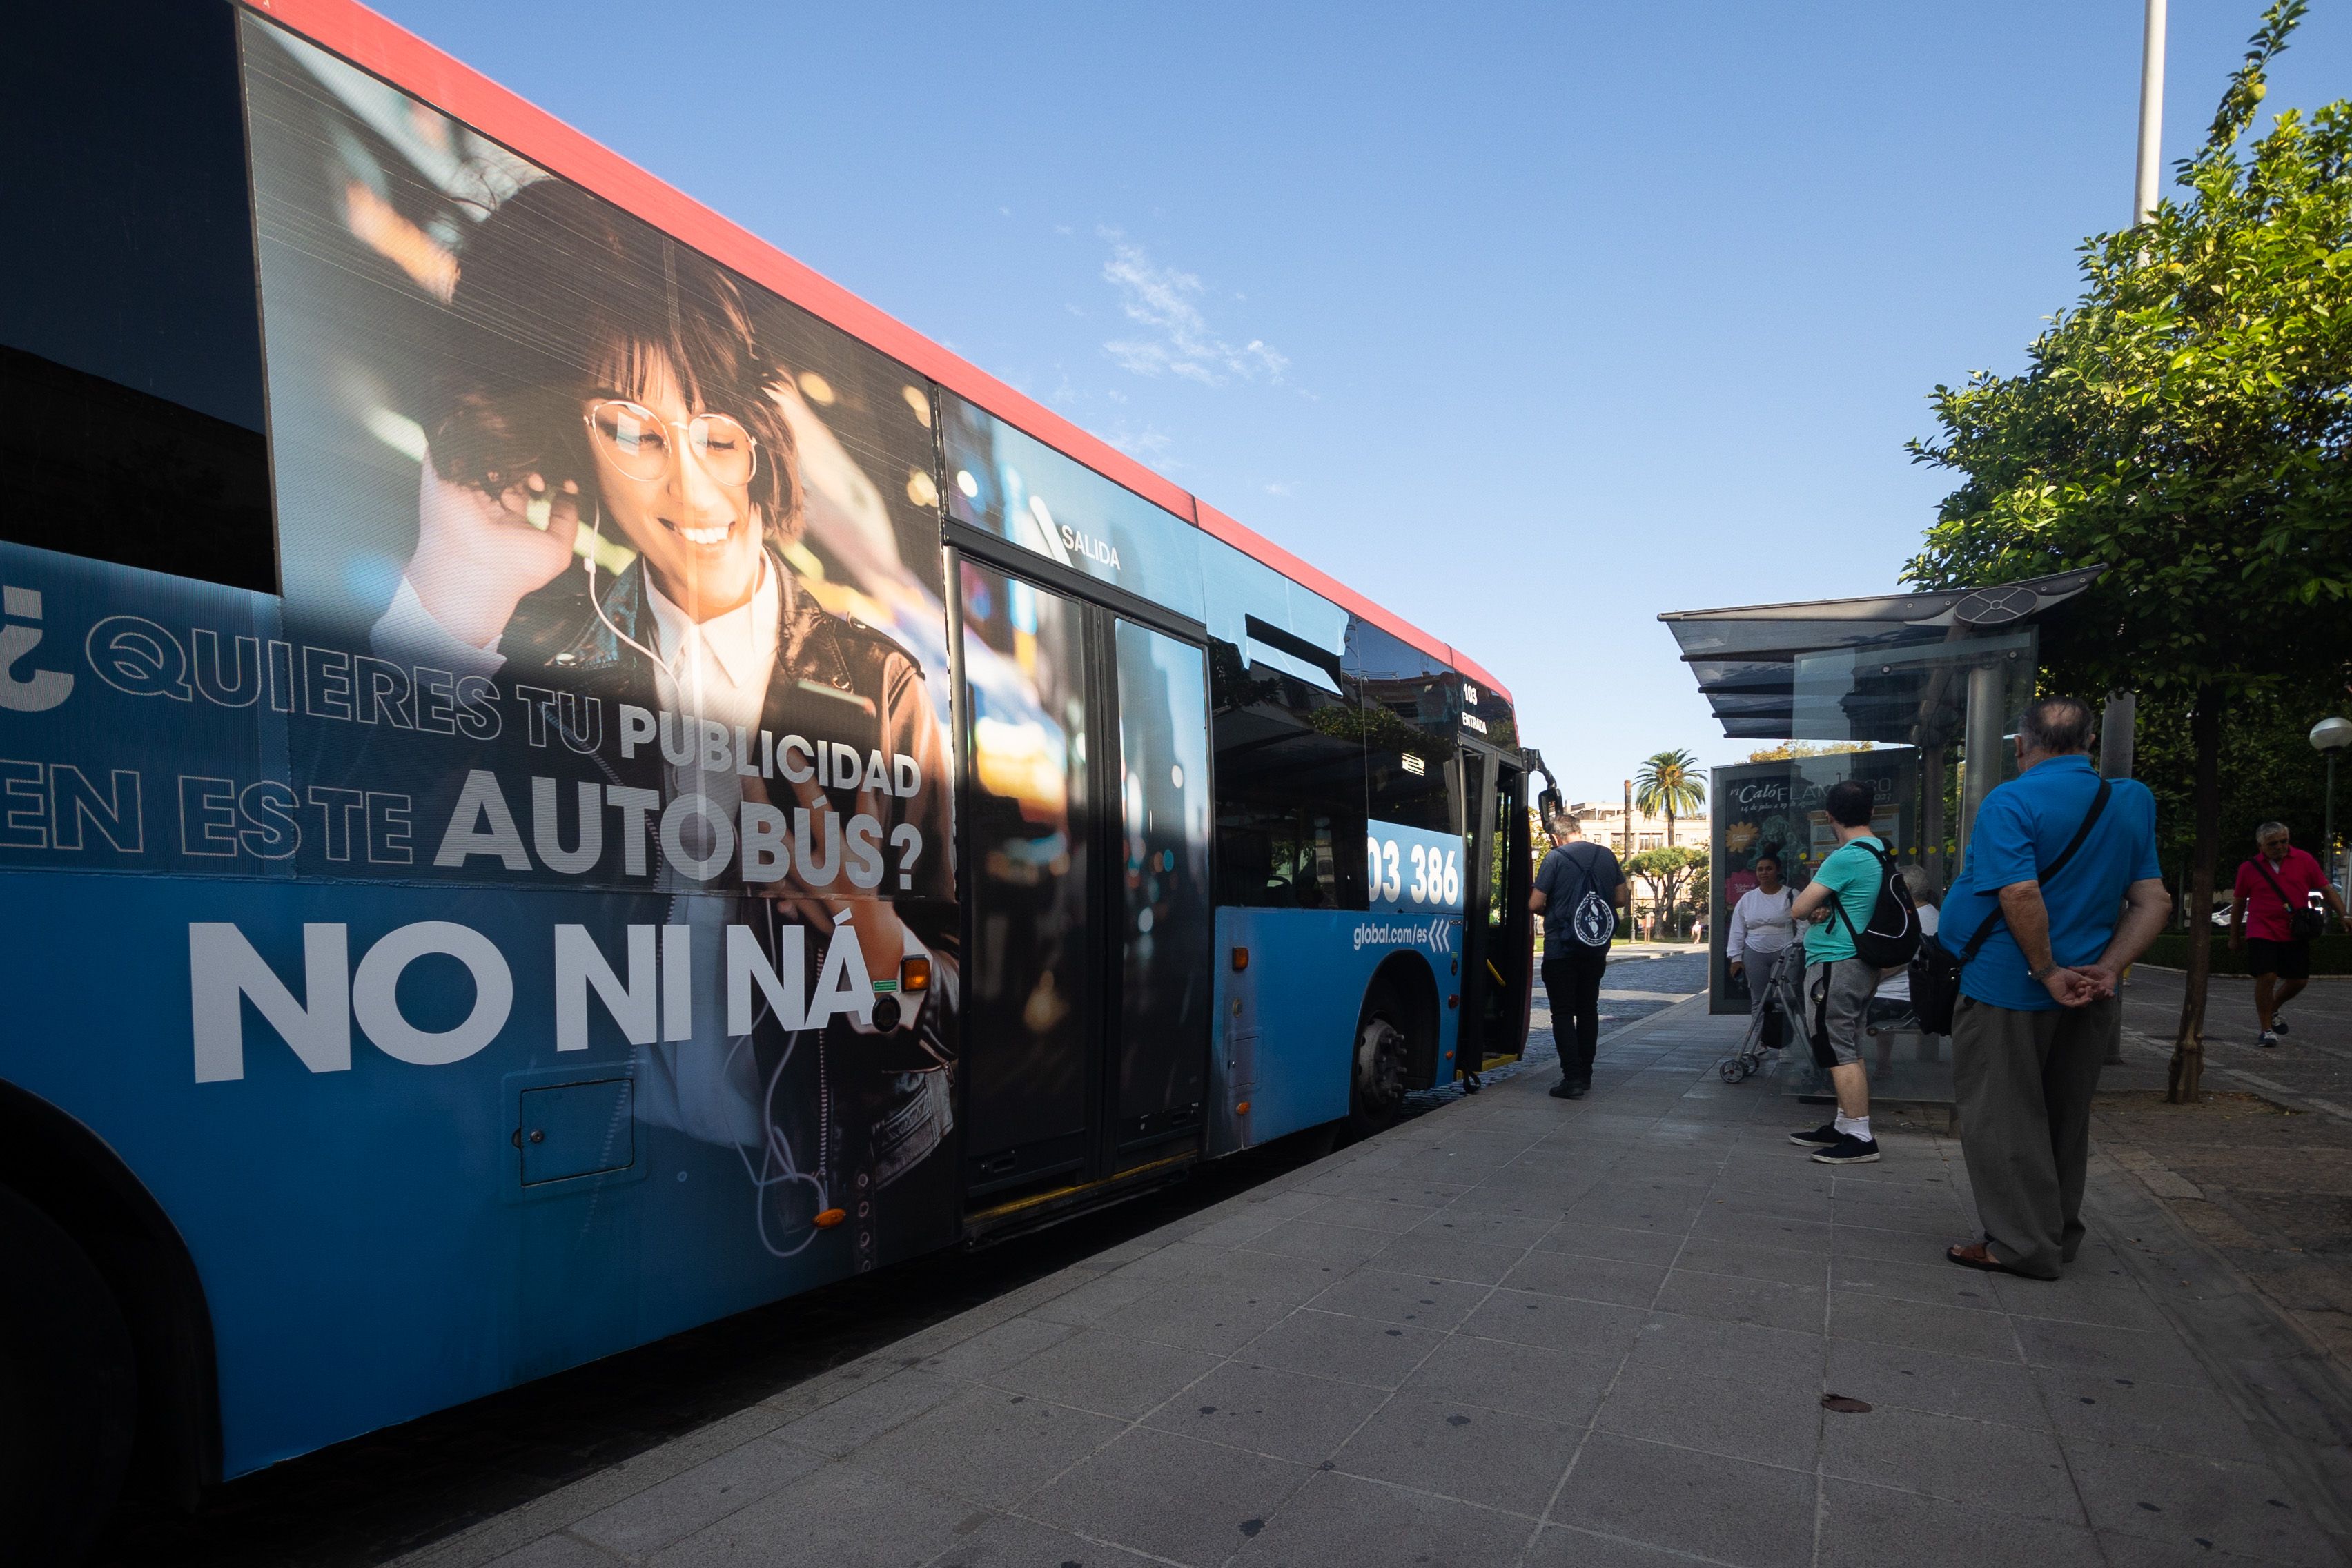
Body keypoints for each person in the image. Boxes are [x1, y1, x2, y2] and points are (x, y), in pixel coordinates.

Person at [372, 179, 957, 1271]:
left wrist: (866, 921)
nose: (689, 483)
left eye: (717, 433)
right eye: (632, 431)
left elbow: (945, 1017)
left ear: (759, 444)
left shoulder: (877, 685)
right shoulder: (524, 636)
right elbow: (353, 860)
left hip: (832, 1191)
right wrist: (451, 595)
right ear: (576, 442)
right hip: (613, 1176)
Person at [1938, 697, 2170, 1280]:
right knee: (2066, 1117)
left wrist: (2046, 970)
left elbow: (2019, 893)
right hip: (2091, 989)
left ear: (2021, 745)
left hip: (2009, 987)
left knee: (2005, 1117)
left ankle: (2020, 1246)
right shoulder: (2131, 800)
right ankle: (2056, 1232)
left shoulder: (2011, 799)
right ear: (2089, 743)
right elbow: (2153, 900)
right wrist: (2110, 967)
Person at [1784, 781, 1894, 1164]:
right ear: (1873, 813)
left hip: (1837, 960)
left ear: (1829, 816)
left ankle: (1861, 1135)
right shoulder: (1881, 851)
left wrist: (1818, 903)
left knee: (1837, 1046)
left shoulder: (1845, 857)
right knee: (1847, 1042)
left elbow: (1799, 908)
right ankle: (1845, 1123)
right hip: (1861, 961)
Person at [1531, 813, 1629, 1100]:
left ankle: (1571, 1078)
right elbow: (1621, 899)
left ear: (1555, 836)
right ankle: (1585, 1076)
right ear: (1578, 830)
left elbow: (1535, 902)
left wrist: (1557, 908)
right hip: (1595, 947)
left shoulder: (1555, 858)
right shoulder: (1607, 855)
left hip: (1561, 948)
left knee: (1562, 1013)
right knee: (1588, 1010)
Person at [2229, 821, 2348, 1046]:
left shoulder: (2304, 860)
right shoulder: (2249, 868)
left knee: (2299, 980)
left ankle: (2272, 1008)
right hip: (2261, 929)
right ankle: (2266, 1030)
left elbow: (2327, 890)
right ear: (2260, 845)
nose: (2280, 847)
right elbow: (2238, 904)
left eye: (2284, 841)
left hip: (2294, 930)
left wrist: (2344, 915)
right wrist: (2234, 937)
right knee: (2268, 976)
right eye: (2273, 843)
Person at [1727, 850, 1796, 1043]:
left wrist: (1796, 947)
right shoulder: (1748, 899)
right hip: (1755, 953)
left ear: (1778, 870)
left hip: (1785, 952)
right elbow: (1737, 930)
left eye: (1769, 869)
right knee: (1759, 999)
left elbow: (1805, 924)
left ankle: (1783, 1043)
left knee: (1782, 999)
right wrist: (1736, 958)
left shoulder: (1791, 895)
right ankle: (1759, 1042)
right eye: (1760, 870)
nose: (1764, 873)